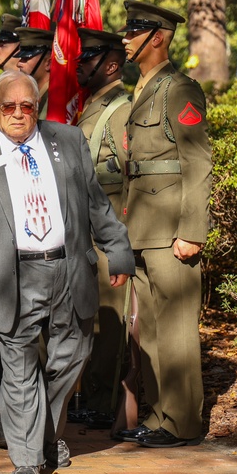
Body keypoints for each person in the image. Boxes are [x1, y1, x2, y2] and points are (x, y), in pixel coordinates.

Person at [0, 70, 135, 474]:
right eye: (8, 106)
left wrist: (118, 250)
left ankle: (42, 434)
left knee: (72, 356)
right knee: (19, 367)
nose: (17, 114)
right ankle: (28, 458)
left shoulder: (67, 140)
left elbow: (96, 205)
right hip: (10, 277)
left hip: (68, 269)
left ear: (37, 108)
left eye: (26, 106)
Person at [118, 0, 212, 448]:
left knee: (175, 329)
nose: (125, 37)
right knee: (151, 329)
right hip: (143, 226)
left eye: (134, 29)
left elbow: (197, 161)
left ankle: (182, 423)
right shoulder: (142, 89)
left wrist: (192, 230)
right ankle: (158, 417)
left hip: (171, 227)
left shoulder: (179, 89)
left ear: (157, 37)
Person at [73, 27, 134, 431]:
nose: (78, 63)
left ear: (110, 65)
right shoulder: (91, 106)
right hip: (87, 227)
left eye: (87, 57)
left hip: (110, 225)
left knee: (110, 319)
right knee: (91, 317)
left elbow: (131, 171)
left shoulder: (120, 110)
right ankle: (89, 394)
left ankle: (101, 400)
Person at [12, 26, 55, 119]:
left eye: (26, 58)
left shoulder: (54, 101)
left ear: (48, 63)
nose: (19, 64)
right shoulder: (36, 96)